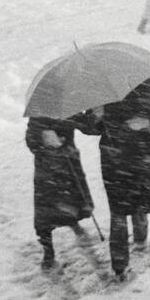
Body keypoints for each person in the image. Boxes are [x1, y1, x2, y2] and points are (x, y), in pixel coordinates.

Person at [90, 77, 150, 280]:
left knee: (141, 205)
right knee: (118, 213)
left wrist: (149, 124)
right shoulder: (102, 92)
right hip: (114, 161)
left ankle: (141, 241)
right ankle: (120, 267)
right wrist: (95, 116)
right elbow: (89, 129)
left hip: (144, 158)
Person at [24, 114, 97, 271]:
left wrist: (94, 115)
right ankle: (48, 251)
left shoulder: (67, 107)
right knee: (46, 212)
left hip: (67, 165)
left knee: (70, 203)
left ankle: (72, 220)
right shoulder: (40, 113)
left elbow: (88, 127)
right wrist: (45, 140)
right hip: (49, 170)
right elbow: (31, 141)